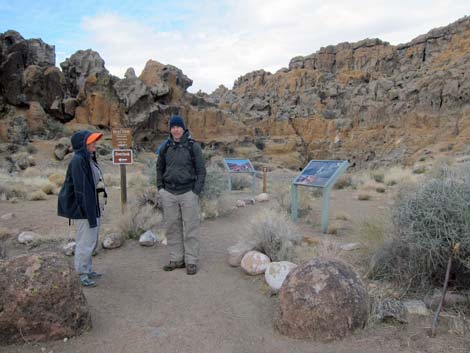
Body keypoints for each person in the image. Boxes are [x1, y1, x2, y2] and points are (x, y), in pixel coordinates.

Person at [157, 115, 206, 275]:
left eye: (178, 127)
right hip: (169, 193)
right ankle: (176, 259)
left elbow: (201, 171)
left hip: (188, 193)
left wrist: (196, 191)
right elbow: (159, 168)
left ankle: (191, 261)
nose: (175, 129)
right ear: (170, 129)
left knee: (190, 227)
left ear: (183, 128)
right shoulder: (165, 147)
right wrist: (160, 188)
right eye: (173, 127)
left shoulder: (193, 147)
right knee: (172, 227)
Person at [58, 130, 106, 287]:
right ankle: (81, 274)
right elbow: (81, 190)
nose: (94, 144)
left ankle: (87, 268)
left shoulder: (88, 158)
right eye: (91, 141)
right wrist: (89, 212)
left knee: (90, 240)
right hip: (84, 210)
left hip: (92, 207)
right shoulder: (78, 160)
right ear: (82, 145)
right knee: (85, 241)